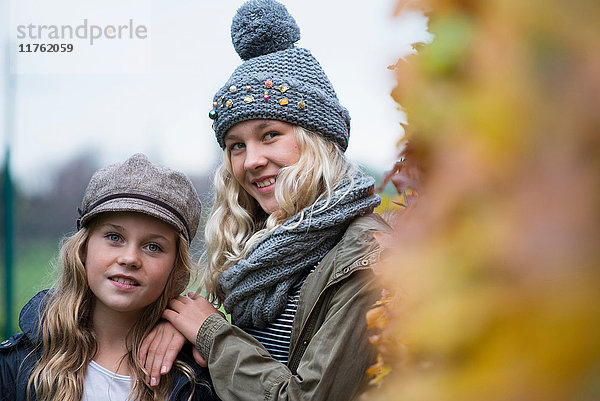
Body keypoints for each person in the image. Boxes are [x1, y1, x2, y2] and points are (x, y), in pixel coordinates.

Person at [140, 0, 392, 400]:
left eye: (269, 134)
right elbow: (257, 355)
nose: (252, 160)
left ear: (315, 138)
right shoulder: (262, 245)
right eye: (236, 145)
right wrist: (188, 330)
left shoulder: (363, 256)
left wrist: (210, 334)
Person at [0, 154, 218, 401]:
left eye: (153, 247)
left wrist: (210, 335)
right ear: (83, 249)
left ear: (176, 267)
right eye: (114, 237)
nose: (130, 258)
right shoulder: (16, 366)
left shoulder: (199, 377)